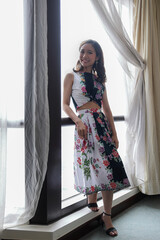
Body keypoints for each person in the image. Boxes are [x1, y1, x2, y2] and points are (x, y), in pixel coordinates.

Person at [63, 39, 130, 237]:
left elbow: (107, 109)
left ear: (97, 57)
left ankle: (107, 216)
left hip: (101, 126)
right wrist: (78, 121)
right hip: (84, 125)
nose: (84, 55)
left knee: (108, 168)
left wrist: (114, 133)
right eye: (82, 51)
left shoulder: (100, 82)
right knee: (90, 162)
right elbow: (65, 104)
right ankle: (91, 197)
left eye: (89, 52)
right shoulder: (71, 76)